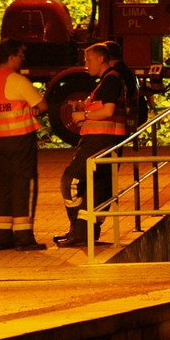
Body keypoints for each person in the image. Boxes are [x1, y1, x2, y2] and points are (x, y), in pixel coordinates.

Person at [55, 41, 132, 247]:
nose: (86, 64)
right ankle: (84, 231)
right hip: (104, 142)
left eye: (88, 60)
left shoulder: (110, 80)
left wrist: (84, 114)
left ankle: (78, 229)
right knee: (96, 189)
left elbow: (107, 111)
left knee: (70, 180)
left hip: (99, 142)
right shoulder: (108, 81)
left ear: (100, 59)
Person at [0, 38, 48, 250]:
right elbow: (42, 105)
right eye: (21, 55)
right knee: (24, 185)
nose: (23, 58)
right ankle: (24, 237)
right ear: (11, 57)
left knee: (3, 186)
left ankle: (2, 236)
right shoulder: (17, 80)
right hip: (21, 139)